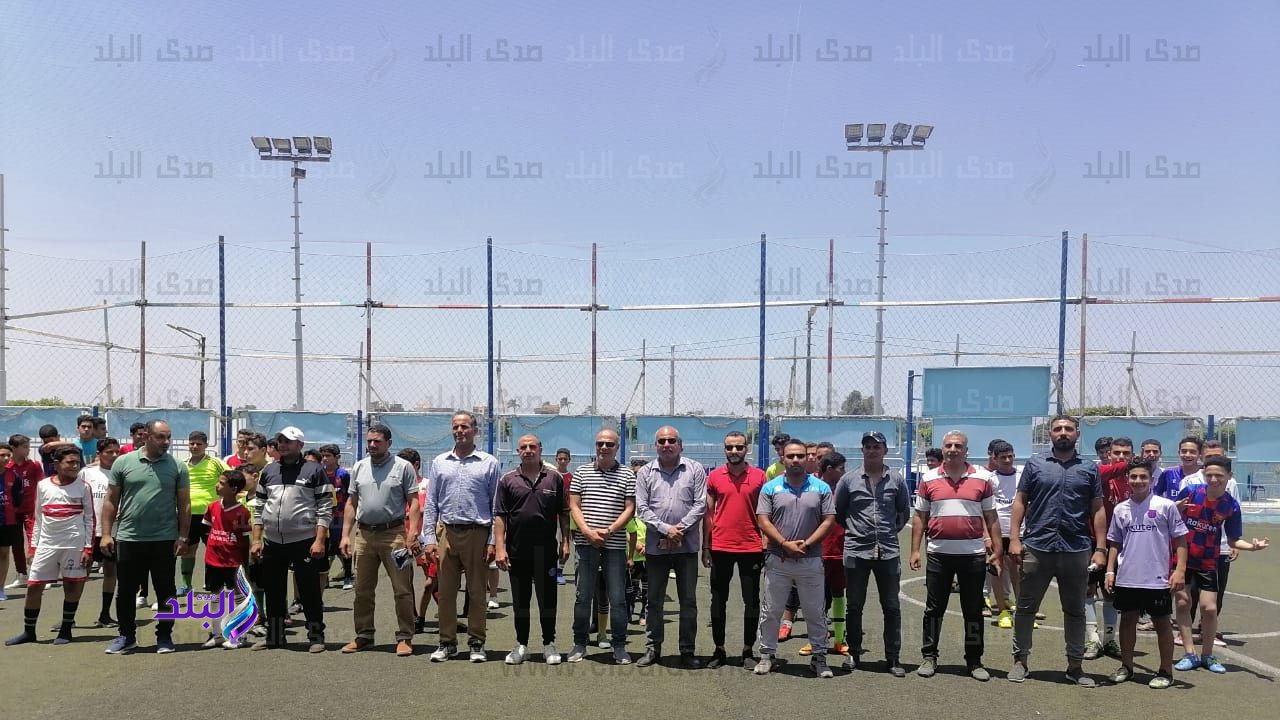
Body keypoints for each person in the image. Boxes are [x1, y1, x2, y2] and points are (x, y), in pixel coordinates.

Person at [1007, 415, 1107, 687]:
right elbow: (1020, 501)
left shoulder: (1089, 468)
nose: (1063, 433)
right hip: (1038, 546)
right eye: (1058, 429)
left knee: (1075, 610)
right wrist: (1014, 538)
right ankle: (1020, 661)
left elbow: (1097, 508)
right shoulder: (1035, 464)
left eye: (1068, 429)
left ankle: (1075, 665)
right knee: (1026, 607)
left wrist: (1100, 547)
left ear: (1077, 434)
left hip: (1076, 548)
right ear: (1050, 434)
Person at [911, 431, 1001, 681]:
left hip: (972, 556)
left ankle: (974, 661)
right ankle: (929, 656)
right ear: (943, 449)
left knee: (973, 610)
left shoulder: (982, 478)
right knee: (933, 609)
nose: (952, 449)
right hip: (938, 555)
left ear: (966, 451)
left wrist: (997, 550)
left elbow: (991, 516)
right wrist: (915, 549)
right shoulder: (928, 478)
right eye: (948, 445)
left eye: (958, 445)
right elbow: (920, 516)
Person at [99, 420, 191, 655]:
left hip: (164, 539)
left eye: (168, 437)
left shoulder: (177, 466)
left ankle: (164, 636)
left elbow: (184, 504)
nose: (166, 442)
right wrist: (107, 534)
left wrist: (183, 536)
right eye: (160, 437)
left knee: (166, 591)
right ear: (147, 436)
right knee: (126, 591)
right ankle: (126, 636)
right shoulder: (124, 462)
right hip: (129, 538)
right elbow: (111, 500)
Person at [1172, 456, 1270, 674]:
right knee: (1183, 603)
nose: (1214, 479)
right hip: (1182, 556)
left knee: (1209, 608)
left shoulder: (1230, 505)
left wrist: (1252, 547)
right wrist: (1175, 510)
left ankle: (1207, 655)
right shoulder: (1191, 492)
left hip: (1208, 559)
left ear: (1229, 476)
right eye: (1209, 475)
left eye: (1219, 475)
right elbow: (1169, 518)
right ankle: (1189, 653)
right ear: (1204, 474)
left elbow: (1234, 540)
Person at [753, 440, 837, 679]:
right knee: (772, 610)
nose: (796, 460)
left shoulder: (821, 487)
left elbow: (829, 520)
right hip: (778, 559)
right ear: (783, 459)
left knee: (815, 611)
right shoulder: (770, 487)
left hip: (810, 560)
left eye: (800, 455)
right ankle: (767, 654)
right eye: (791, 456)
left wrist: (807, 544)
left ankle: (819, 657)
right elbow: (763, 520)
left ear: (808, 457)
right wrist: (783, 544)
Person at [423, 411, 501, 663]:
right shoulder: (440, 462)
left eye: (465, 426)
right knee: (445, 592)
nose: (459, 431)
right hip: (446, 532)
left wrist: (492, 541)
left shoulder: (489, 463)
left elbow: (496, 506)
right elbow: (431, 503)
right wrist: (429, 539)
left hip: (477, 532)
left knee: (477, 591)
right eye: (456, 426)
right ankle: (447, 642)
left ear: (475, 431)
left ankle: (477, 642)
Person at [1104, 458, 1188, 689]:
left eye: (1143, 477)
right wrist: (1110, 571)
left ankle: (1165, 671)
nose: (1138, 481)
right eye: (1134, 476)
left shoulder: (1165, 506)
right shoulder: (1121, 509)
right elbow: (1115, 543)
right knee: (1127, 620)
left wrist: (1180, 570)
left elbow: (1180, 540)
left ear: (1151, 479)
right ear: (1127, 479)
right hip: (1128, 576)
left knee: (1161, 623)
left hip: (1157, 578)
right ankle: (1127, 667)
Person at [249, 426, 333, 653]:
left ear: (300, 445)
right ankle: (275, 637)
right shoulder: (269, 470)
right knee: (273, 591)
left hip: (304, 540)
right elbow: (259, 507)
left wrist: (319, 540)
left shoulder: (314, 470)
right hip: (272, 542)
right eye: (281, 441)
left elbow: (325, 508)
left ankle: (316, 637)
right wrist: (256, 540)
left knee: (309, 591)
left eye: (288, 441)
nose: (283, 445)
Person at [340, 423, 421, 657]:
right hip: (364, 536)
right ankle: (364, 634)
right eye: (369, 441)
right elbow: (351, 503)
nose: (372, 445)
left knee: (402, 589)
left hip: (394, 535)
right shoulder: (359, 466)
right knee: (362, 589)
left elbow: (414, 501)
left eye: (377, 441)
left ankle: (405, 636)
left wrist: (412, 533)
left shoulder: (403, 467)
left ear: (389, 443)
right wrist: (345, 535)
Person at [836, 430, 910, 675]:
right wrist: (857, 532)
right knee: (854, 605)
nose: (872, 450)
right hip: (856, 551)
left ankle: (893, 658)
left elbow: (903, 513)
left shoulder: (896, 480)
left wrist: (887, 532)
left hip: (888, 551)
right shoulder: (848, 480)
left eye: (876, 446)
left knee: (891, 606)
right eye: (867, 446)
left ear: (885, 450)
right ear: (862, 450)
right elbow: (839, 512)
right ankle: (854, 653)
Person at [5, 446, 94, 646]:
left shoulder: (83, 487)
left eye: (77, 463)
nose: (74, 466)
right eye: (70, 462)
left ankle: (66, 630)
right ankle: (29, 632)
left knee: (71, 585)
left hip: (73, 544)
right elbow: (37, 518)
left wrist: (88, 548)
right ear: (56, 464)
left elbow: (89, 519)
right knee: (34, 586)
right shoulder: (43, 485)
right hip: (47, 544)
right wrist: (33, 547)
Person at [635, 426, 707, 669]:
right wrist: (666, 529)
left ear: (680, 444)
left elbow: (700, 505)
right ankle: (652, 649)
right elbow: (641, 508)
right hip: (656, 549)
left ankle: (687, 650)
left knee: (688, 602)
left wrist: (679, 530)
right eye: (662, 441)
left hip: (686, 548)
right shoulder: (646, 472)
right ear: (656, 445)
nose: (666, 445)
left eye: (671, 440)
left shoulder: (695, 469)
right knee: (654, 601)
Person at [494, 434, 570, 665]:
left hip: (546, 551)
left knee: (548, 600)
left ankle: (549, 644)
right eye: (523, 447)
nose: (528, 450)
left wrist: (565, 541)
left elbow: (563, 513)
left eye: (532, 446)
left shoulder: (554, 478)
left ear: (540, 449)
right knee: (521, 601)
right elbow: (500, 516)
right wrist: (500, 548)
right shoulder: (508, 480)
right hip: (517, 551)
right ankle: (521, 645)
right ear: (518, 451)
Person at [567, 428, 636, 664]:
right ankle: (580, 644)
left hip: (614, 545)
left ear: (617, 447)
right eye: (600, 443)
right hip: (585, 544)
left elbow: (630, 508)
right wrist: (587, 532)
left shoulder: (627, 475)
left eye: (609, 444)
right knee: (583, 596)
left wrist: (609, 531)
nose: (604, 447)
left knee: (617, 598)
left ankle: (619, 645)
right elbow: (574, 505)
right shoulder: (582, 472)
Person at [703, 430, 766, 669]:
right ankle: (719, 649)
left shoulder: (760, 477)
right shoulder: (714, 477)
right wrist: (706, 546)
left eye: (739, 447)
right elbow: (708, 514)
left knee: (752, 601)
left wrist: (766, 543)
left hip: (751, 547)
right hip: (721, 547)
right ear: (724, 449)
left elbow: (766, 514)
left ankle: (748, 650)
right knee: (718, 600)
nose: (734, 451)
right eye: (730, 447)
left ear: (746, 449)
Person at [201, 469, 253, 649]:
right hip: (213, 561)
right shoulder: (212, 507)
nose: (217, 485)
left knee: (239, 597)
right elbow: (208, 529)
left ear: (233, 489)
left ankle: (241, 635)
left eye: (222, 483)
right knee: (214, 596)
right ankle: (216, 634)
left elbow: (245, 540)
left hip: (234, 562)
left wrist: (245, 564)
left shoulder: (242, 513)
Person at [179, 431, 228, 594]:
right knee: (187, 549)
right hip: (188, 515)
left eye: (199, 444)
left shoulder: (215, 463)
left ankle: (214, 584)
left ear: (206, 445)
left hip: (211, 515)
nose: (195, 446)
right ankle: (186, 585)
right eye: (192, 443)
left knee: (214, 549)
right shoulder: (182, 464)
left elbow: (232, 477)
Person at [82, 438, 120, 627]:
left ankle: (105, 614)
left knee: (110, 572)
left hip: (112, 532)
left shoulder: (121, 473)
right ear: (99, 453)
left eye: (116, 452)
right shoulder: (86, 473)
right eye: (109, 452)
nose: (114, 455)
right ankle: (68, 617)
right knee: (81, 573)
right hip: (89, 532)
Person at [985, 439, 1021, 628]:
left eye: (1010, 456)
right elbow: (984, 510)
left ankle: (1023, 612)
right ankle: (1002, 611)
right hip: (997, 533)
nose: (1007, 460)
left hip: (1019, 533)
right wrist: (987, 536)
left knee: (1019, 572)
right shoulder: (990, 479)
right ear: (995, 459)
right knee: (997, 571)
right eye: (1003, 457)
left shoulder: (1022, 476)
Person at [6, 434, 44, 590]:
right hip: (13, 511)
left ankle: (39, 575)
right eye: (24, 447)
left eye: (28, 446)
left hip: (31, 510)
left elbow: (42, 485)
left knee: (35, 541)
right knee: (16, 543)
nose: (28, 450)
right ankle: (21, 574)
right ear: (13, 448)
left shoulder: (34, 465)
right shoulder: (7, 467)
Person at [318, 443, 353, 591]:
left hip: (340, 517)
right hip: (323, 516)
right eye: (323, 456)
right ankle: (324, 578)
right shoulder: (319, 473)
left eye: (328, 456)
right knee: (324, 546)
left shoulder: (343, 475)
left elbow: (350, 495)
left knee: (341, 545)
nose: (325, 459)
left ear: (337, 457)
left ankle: (348, 576)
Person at [0, 443, 24, 601]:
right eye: (2, 455)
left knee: (4, 553)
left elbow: (17, 499)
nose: (6, 458)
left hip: (7, 522)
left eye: (8, 455)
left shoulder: (13, 476)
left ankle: (0, 588)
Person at [553, 448, 574, 585]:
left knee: (564, 545)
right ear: (556, 459)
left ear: (569, 460)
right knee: (549, 545)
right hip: (550, 517)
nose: (562, 461)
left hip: (565, 518)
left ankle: (559, 570)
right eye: (560, 459)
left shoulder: (572, 478)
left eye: (565, 459)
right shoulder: (551, 475)